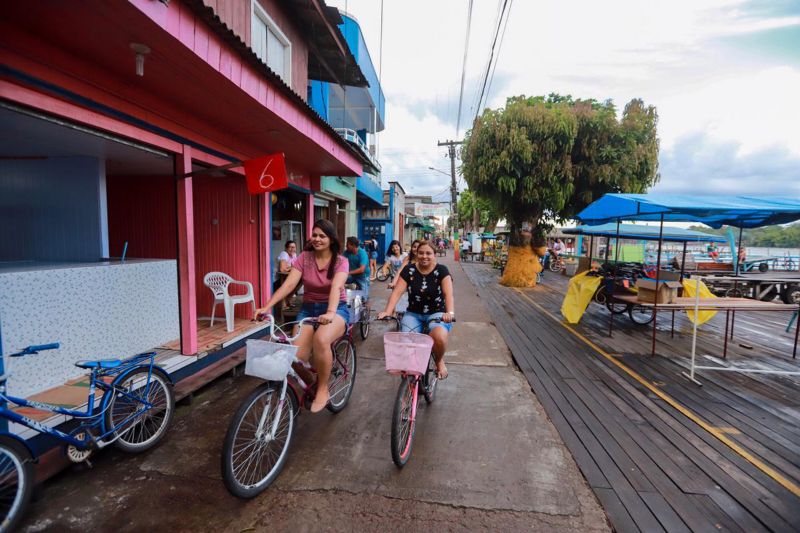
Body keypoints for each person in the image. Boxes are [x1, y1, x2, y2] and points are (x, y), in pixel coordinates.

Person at [254, 219, 349, 413]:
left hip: (336, 308)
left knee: (321, 339)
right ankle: (312, 383)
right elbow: (289, 285)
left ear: (331, 239)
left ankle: (323, 388)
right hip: (308, 309)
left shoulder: (341, 261)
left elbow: (336, 287)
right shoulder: (304, 257)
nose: (317, 239)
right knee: (296, 358)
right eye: (314, 235)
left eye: (322, 236)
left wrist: (330, 312)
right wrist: (267, 307)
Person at [379, 241, 455, 379]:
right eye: (421, 253)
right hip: (413, 313)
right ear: (416, 254)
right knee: (406, 342)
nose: (424, 256)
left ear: (434, 255)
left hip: (437, 313)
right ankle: (412, 371)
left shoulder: (442, 270)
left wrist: (449, 313)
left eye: (428, 253)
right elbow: (397, 292)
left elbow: (448, 294)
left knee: (439, 337)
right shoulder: (409, 270)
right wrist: (388, 311)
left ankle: (439, 361)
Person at [344, 236, 370, 301]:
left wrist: (348, 272)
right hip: (352, 276)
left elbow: (361, 269)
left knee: (365, 297)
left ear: (353, 245)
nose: (346, 246)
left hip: (363, 277)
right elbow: (339, 261)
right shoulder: (346, 252)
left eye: (347, 245)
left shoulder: (362, 253)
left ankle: (366, 306)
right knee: (338, 283)